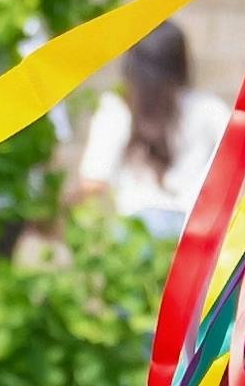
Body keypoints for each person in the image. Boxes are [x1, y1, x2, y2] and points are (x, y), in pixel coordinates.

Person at [62, 19, 220, 243]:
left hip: (135, 234)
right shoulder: (206, 107)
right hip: (193, 230)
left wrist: (59, 209)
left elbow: (93, 181)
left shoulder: (117, 108)